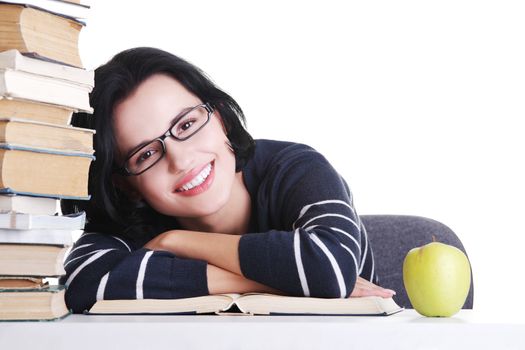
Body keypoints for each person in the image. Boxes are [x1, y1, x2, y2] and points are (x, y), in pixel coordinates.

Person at [60, 47, 396, 313]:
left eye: (187, 125)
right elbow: (81, 282)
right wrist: (264, 282)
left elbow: (329, 269)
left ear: (219, 117)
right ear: (126, 184)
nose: (181, 159)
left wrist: (176, 242)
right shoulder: (132, 216)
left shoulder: (298, 169)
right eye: (146, 155)